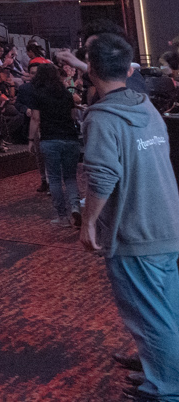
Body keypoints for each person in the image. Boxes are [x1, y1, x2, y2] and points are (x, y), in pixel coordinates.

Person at [80, 32, 179, 402]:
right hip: (166, 222)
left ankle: (165, 388)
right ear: (129, 69)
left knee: (148, 315)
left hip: (135, 232)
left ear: (91, 69)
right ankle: (160, 366)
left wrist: (89, 221)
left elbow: (103, 177)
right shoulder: (145, 106)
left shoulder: (102, 118)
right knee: (167, 309)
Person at [26, 62, 81, 227]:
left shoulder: (38, 94)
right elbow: (73, 115)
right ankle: (75, 207)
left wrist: (30, 139)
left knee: (55, 179)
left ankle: (62, 217)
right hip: (70, 138)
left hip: (50, 138)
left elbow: (36, 119)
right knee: (70, 177)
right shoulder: (66, 94)